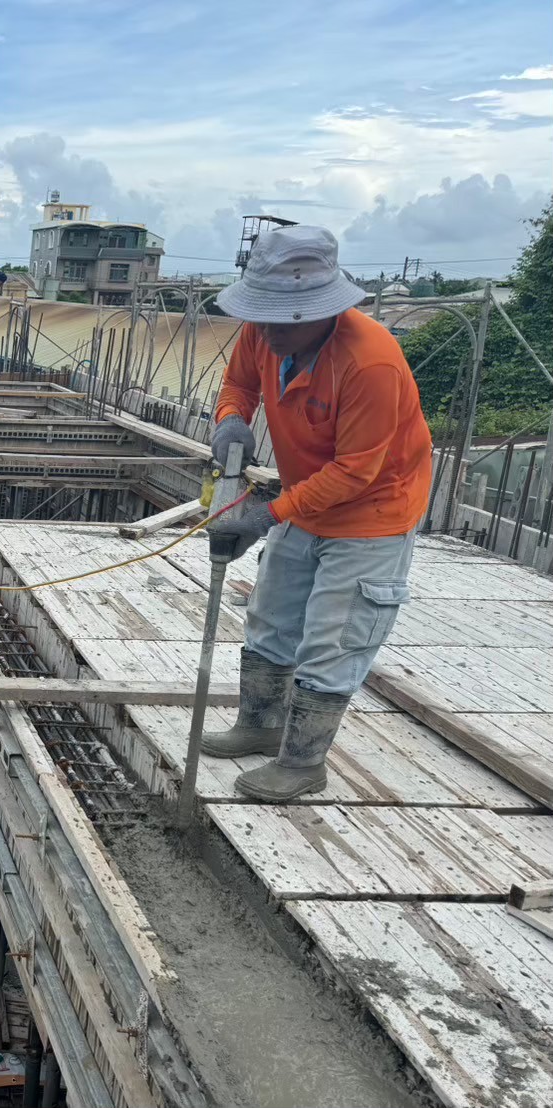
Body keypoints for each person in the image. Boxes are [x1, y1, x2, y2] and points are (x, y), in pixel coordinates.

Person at [202, 225, 432, 801]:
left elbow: (357, 470)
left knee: (335, 636)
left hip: (372, 513)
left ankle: (304, 762)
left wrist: (265, 514)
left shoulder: (368, 361)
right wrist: (230, 418)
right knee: (273, 614)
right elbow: (238, 384)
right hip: (309, 497)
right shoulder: (264, 333)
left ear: (324, 310)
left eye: (287, 320)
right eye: (266, 317)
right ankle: (259, 724)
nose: (272, 331)